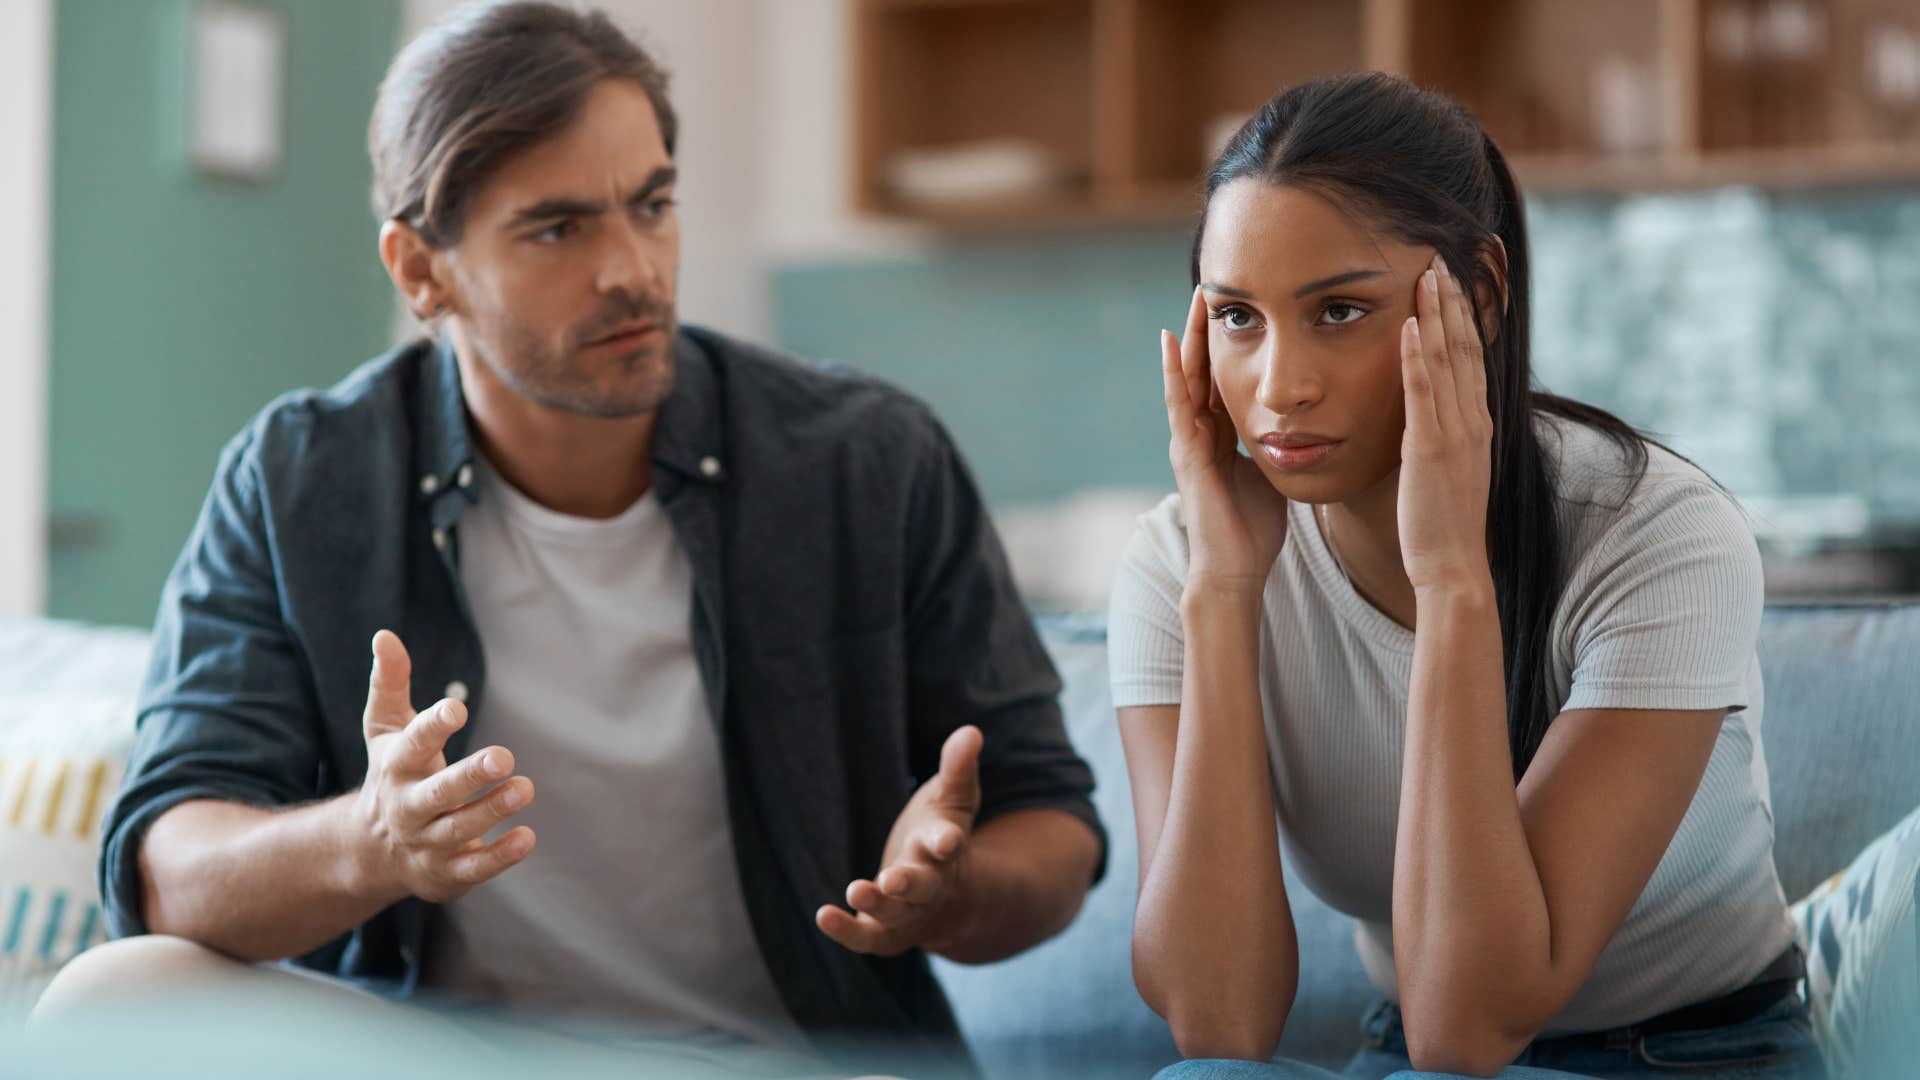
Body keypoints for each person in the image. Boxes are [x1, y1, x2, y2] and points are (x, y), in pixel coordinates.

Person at [35, 4, 1103, 1076]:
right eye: (558, 228)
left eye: (652, 205)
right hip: (449, 1057)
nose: (632, 269)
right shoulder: (299, 479)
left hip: (782, 1058)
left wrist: (955, 893)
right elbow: (166, 867)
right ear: (421, 271)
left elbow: (1052, 828)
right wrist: (373, 843)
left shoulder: (867, 459)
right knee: (107, 1002)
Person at [1109, 73, 1821, 1080]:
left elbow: (1468, 1030)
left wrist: (1451, 580)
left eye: (1341, 310)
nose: (1280, 387)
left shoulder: (1654, 533)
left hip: (1695, 1055)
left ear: (1479, 295)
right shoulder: (1181, 562)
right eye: (1237, 318)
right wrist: (1224, 593)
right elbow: (1218, 1027)